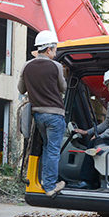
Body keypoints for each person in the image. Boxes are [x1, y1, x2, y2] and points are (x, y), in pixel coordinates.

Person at [18, 30, 66, 197]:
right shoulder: (56, 66)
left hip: (38, 116)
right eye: (55, 50)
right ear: (48, 50)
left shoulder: (26, 66)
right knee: (53, 150)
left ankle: (47, 181)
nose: (55, 53)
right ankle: (51, 186)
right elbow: (63, 88)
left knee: (47, 147)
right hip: (55, 115)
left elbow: (21, 89)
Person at [73, 69, 109, 189]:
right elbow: (106, 123)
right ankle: (94, 179)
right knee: (93, 141)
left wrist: (99, 136)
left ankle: (87, 181)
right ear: (107, 89)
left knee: (94, 143)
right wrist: (88, 132)